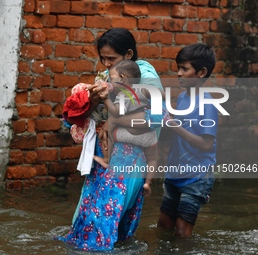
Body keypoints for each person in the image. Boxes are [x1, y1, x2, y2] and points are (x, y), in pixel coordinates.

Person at [56, 28, 164, 251]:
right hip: (106, 158)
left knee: (103, 220)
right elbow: (73, 119)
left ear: (129, 54)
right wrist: (93, 101)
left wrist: (112, 118)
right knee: (94, 220)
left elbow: (151, 121)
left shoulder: (145, 78)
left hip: (128, 159)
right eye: (102, 58)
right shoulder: (110, 77)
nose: (105, 63)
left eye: (111, 58)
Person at [157, 43, 217, 237]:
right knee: (164, 225)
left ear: (201, 72)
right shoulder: (183, 98)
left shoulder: (207, 104)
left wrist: (176, 126)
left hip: (196, 176)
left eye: (184, 69)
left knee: (182, 231)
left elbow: (206, 144)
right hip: (175, 171)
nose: (179, 73)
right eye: (178, 68)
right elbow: (177, 131)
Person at [93, 60, 159, 173]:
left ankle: (106, 159)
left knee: (106, 135)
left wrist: (106, 98)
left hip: (131, 133)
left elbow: (116, 112)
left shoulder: (123, 94)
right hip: (150, 136)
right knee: (153, 159)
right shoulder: (141, 89)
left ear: (122, 78)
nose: (110, 82)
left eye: (112, 79)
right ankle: (148, 182)